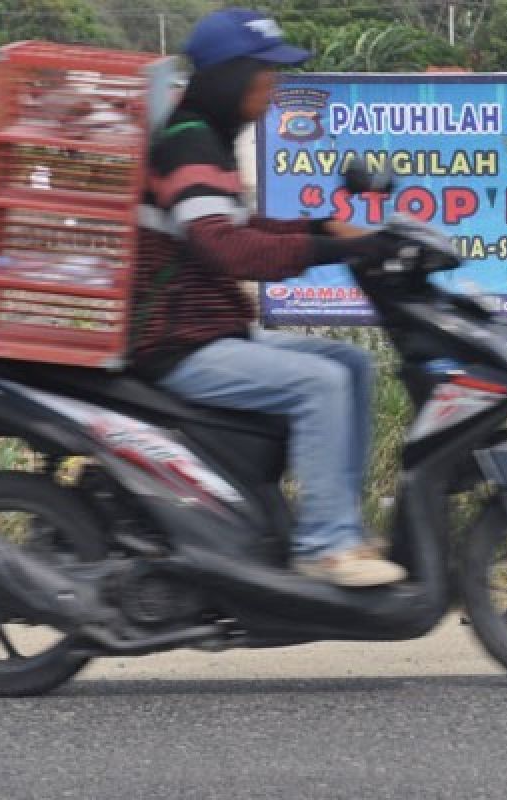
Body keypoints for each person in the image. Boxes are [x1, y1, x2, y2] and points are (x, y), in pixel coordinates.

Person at [130, 8, 406, 587]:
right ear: (230, 78)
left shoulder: (207, 141)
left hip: (208, 333)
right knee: (320, 382)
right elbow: (227, 249)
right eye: (265, 75)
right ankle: (324, 546)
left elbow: (242, 224)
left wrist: (325, 228)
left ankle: (342, 529)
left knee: (351, 362)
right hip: (179, 344)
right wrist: (333, 250)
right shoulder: (189, 144)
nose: (273, 88)